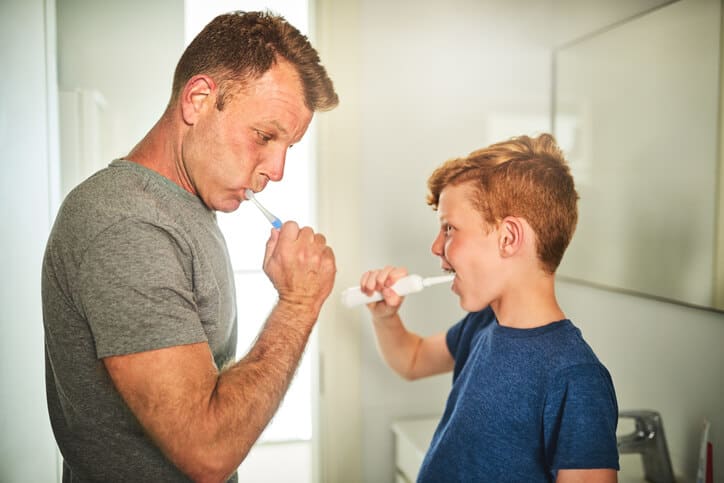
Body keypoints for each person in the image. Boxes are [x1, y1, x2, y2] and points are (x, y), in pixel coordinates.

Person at [42, 11, 338, 482]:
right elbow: (208, 451)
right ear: (198, 99)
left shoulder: (186, 208)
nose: (277, 170)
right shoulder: (126, 224)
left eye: (288, 147)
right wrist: (299, 302)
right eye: (264, 136)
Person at [358, 134, 619, 482]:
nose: (436, 247)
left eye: (449, 228)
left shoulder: (575, 378)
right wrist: (385, 316)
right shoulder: (482, 325)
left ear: (508, 238)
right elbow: (413, 359)